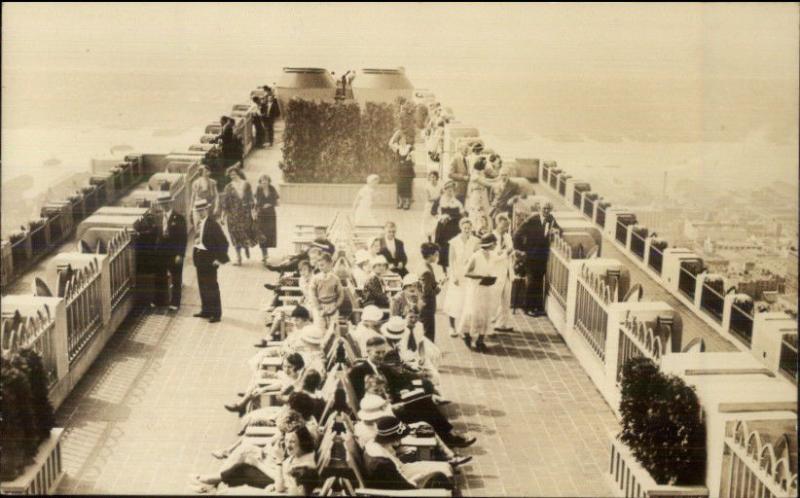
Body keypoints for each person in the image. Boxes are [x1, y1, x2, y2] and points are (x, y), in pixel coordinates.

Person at [363, 416, 454, 490]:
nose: (399, 441)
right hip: (405, 481)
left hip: (402, 470)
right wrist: (420, 477)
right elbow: (403, 486)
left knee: (445, 466)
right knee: (441, 473)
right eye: (398, 438)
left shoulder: (373, 444)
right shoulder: (381, 462)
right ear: (392, 438)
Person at [192, 199, 230, 323]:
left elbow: (224, 242)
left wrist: (219, 259)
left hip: (210, 260)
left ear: (207, 209)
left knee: (212, 286)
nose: (201, 213)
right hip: (200, 258)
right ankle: (206, 310)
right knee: (202, 285)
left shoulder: (213, 224)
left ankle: (216, 313)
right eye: (198, 211)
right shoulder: (199, 224)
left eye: (202, 210)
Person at [459, 233, 498, 352]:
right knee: (473, 313)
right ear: (490, 244)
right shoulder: (476, 256)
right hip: (475, 289)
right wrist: (479, 276)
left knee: (485, 313)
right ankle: (467, 335)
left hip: (487, 288)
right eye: (494, 243)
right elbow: (466, 272)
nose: (496, 245)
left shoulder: (492, 255)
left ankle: (481, 340)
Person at [443, 218, 479, 337]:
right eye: (465, 228)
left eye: (469, 228)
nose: (467, 230)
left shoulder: (475, 241)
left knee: (467, 302)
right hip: (457, 275)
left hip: (469, 275)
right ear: (461, 228)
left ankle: (464, 328)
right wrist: (453, 276)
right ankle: (451, 326)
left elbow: (477, 257)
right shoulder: (454, 242)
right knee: (454, 301)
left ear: (471, 228)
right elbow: (451, 260)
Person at [513, 204, 549, 316]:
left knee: (538, 282)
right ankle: (527, 308)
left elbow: (557, 230)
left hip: (542, 257)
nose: (546, 211)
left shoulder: (550, 220)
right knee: (531, 282)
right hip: (530, 256)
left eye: (548, 209)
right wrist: (521, 250)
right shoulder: (532, 220)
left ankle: (536, 307)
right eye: (544, 208)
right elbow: (517, 234)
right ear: (539, 209)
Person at [155, 197, 187, 311]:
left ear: (170, 203)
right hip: (161, 253)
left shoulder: (179, 218)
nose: (164, 206)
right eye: (161, 204)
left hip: (174, 253)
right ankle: (160, 301)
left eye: (166, 203)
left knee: (176, 278)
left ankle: (175, 303)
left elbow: (183, 238)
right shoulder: (159, 217)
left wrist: (180, 254)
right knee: (161, 277)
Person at [221, 167, 255, 266]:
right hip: (233, 216)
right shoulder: (228, 187)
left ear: (238, 173)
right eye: (230, 175)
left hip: (245, 214)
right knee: (235, 235)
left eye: (234, 174)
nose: (232, 176)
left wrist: (253, 211)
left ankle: (246, 247)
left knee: (245, 233)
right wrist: (223, 216)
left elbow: (251, 199)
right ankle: (238, 257)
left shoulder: (246, 184)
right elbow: (225, 203)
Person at [491, 213, 516, 333]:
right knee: (494, 298)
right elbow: (493, 256)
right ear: (497, 223)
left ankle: (501, 324)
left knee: (506, 299)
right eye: (503, 226)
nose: (505, 229)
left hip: (507, 271)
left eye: (507, 226)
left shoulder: (508, 237)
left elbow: (511, 251)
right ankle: (489, 324)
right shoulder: (491, 237)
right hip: (495, 272)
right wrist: (505, 253)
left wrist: (509, 253)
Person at [433, 181, 465, 273]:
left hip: (454, 228)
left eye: (452, 191)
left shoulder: (457, 202)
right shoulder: (440, 200)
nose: (450, 192)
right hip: (443, 227)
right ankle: (444, 268)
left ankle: (454, 266)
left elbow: (462, 214)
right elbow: (433, 212)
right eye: (448, 190)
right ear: (444, 190)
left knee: (454, 245)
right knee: (443, 246)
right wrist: (440, 217)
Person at [309, 253, 344, 329]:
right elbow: (312, 295)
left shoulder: (335, 279)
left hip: (332, 306)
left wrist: (336, 306)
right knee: (320, 328)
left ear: (330, 264)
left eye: (322, 265)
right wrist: (319, 308)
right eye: (319, 265)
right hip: (320, 306)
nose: (320, 268)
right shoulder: (315, 278)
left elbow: (341, 294)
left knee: (334, 329)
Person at [253, 174, 279, 266]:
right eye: (262, 180)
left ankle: (266, 253)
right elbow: (256, 202)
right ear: (260, 181)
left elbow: (277, 202)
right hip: (261, 214)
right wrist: (255, 212)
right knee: (262, 233)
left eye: (266, 180)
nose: (264, 182)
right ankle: (264, 255)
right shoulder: (258, 189)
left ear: (269, 181)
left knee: (269, 233)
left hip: (271, 214)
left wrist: (270, 204)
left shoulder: (272, 188)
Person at [419, 242, 441, 342]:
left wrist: (436, 283)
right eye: (436, 254)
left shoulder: (427, 266)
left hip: (427, 306)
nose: (437, 257)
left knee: (428, 332)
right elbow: (427, 292)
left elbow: (430, 283)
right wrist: (438, 288)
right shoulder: (425, 271)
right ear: (430, 255)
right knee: (428, 334)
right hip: (427, 306)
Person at [389, 129, 416, 210]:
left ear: (405, 140)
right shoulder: (397, 148)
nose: (403, 141)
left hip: (408, 170)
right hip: (400, 170)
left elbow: (414, 161)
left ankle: (407, 203)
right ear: (399, 141)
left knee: (407, 186)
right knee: (400, 186)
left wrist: (411, 159)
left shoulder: (410, 148)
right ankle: (400, 202)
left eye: (404, 139)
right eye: (401, 140)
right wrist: (395, 134)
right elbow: (390, 143)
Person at [465, 156, 493, 227]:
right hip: (476, 194)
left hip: (482, 193)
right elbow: (487, 184)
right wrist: (497, 183)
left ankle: (484, 227)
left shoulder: (480, 173)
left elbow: (488, 181)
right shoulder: (475, 175)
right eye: (485, 165)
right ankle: (476, 227)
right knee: (477, 211)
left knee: (484, 211)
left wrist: (498, 179)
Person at [422, 171, 442, 242]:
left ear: (437, 178)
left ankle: (436, 238)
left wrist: (439, 199)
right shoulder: (427, 186)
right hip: (429, 206)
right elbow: (428, 199)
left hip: (438, 205)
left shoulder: (440, 186)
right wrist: (437, 198)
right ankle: (429, 239)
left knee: (436, 222)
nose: (432, 179)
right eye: (431, 177)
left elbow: (442, 195)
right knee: (428, 222)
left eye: (434, 177)